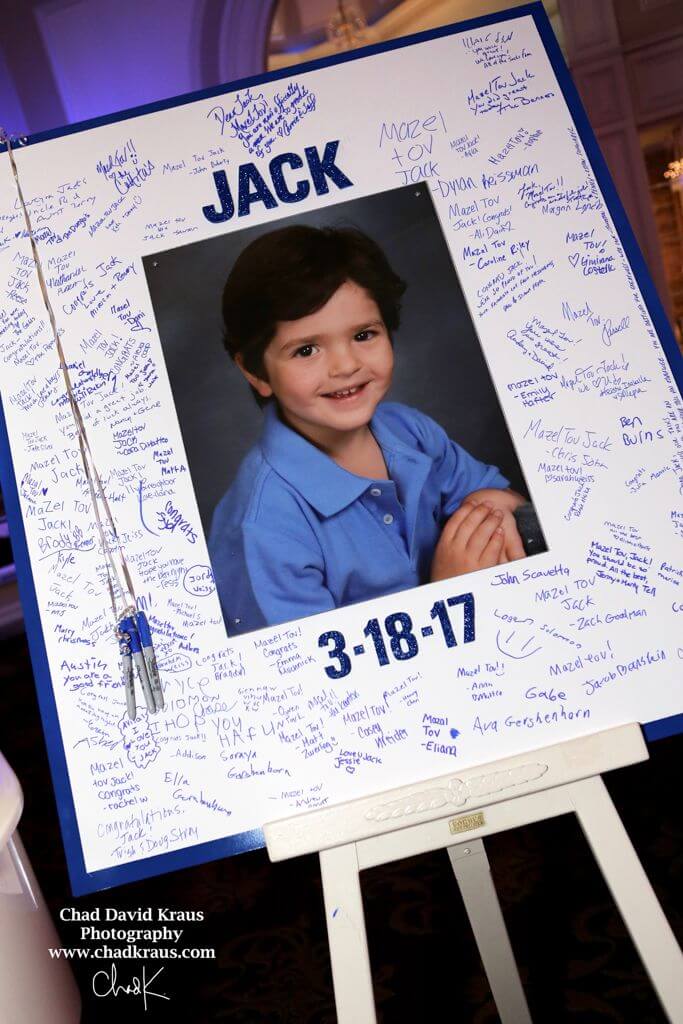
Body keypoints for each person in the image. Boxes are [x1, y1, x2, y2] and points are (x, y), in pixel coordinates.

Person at [208, 225, 525, 635]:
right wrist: (447, 593)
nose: (345, 366)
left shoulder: (409, 430)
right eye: (306, 350)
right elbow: (306, 682)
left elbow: (510, 501)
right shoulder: (263, 530)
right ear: (255, 372)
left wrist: (491, 504)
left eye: (363, 335)